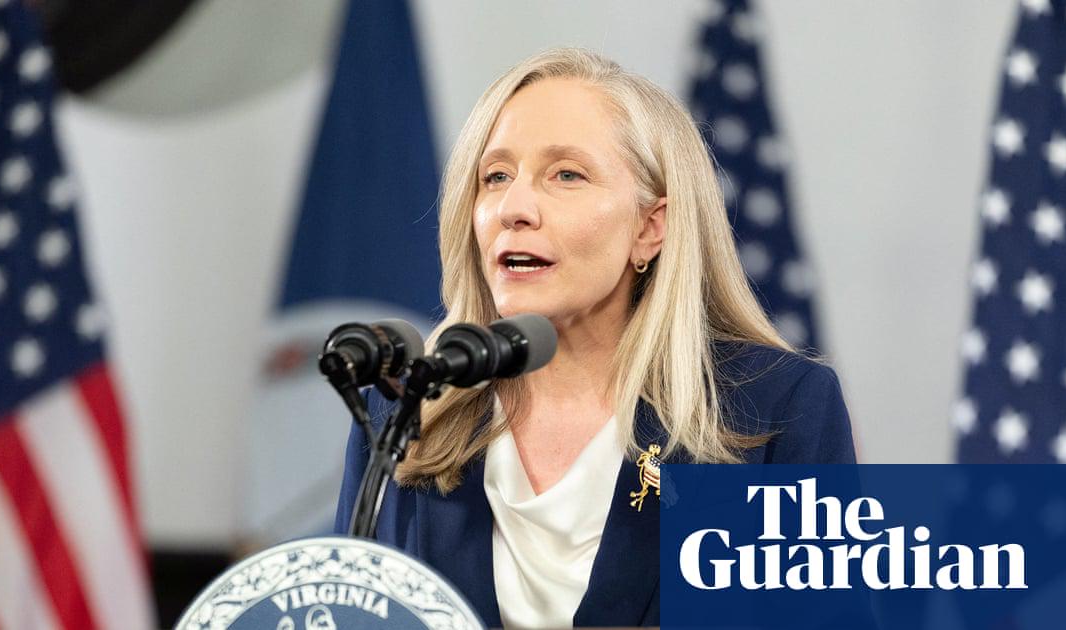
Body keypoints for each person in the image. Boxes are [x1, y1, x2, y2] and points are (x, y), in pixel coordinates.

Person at [335, 47, 856, 628]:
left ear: (649, 228)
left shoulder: (776, 409)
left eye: (567, 175)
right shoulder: (405, 415)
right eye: (496, 176)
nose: (514, 208)